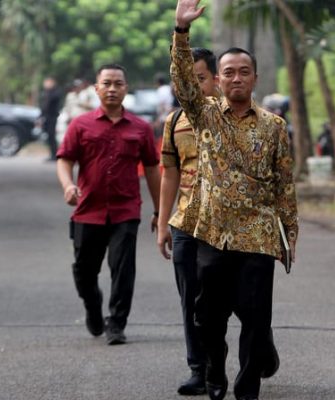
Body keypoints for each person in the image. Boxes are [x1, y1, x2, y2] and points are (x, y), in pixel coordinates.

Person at [171, 1, 299, 399]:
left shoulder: (274, 127)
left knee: (257, 319)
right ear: (219, 80)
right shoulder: (204, 113)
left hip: (258, 237)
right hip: (213, 233)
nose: (236, 78)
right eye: (228, 73)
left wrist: (288, 235)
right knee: (208, 318)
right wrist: (181, 30)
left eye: (244, 72)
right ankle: (214, 373)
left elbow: (284, 184)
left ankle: (247, 389)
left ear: (255, 78)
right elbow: (182, 83)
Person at [56, 64, 161, 346]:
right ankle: (93, 304)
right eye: (107, 83)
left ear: (126, 88)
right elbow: (65, 160)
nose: (112, 89)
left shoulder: (140, 128)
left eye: (118, 83)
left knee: (123, 269)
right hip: (87, 211)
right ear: (97, 88)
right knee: (83, 270)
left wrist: (159, 210)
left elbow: (152, 168)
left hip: (125, 211)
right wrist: (68, 185)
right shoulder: (80, 125)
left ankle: (116, 323)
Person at [157, 47, 218, 396]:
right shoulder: (174, 121)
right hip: (185, 223)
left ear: (215, 79)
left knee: (239, 297)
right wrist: (164, 223)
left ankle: (259, 345)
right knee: (190, 298)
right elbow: (169, 173)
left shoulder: (229, 116)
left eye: (200, 79)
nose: (192, 87)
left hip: (226, 223)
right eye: (184, 81)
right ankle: (199, 367)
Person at [39, 77, 62, 161]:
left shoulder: (55, 92)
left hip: (53, 117)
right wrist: (40, 117)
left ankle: (55, 154)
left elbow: (51, 101)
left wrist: (48, 92)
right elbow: (43, 107)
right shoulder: (45, 93)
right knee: (49, 137)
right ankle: (52, 154)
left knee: (52, 136)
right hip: (46, 117)